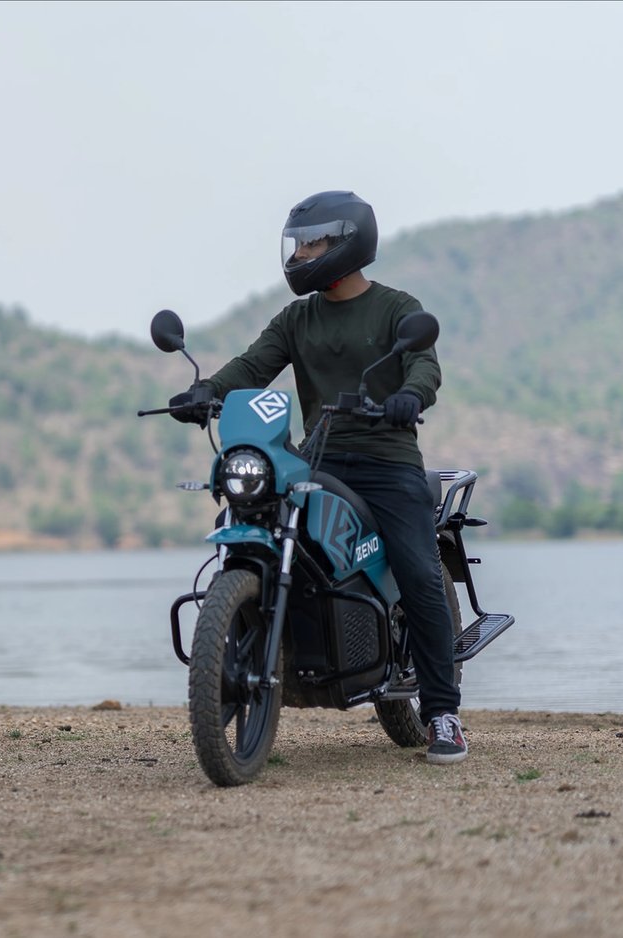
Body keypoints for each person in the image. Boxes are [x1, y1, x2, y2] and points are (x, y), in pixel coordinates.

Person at [168, 190, 466, 764]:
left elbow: (424, 364)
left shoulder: (396, 308)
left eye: (313, 243)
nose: (301, 253)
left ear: (348, 243)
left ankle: (443, 713)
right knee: (263, 523)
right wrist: (208, 390)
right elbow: (252, 366)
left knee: (420, 573)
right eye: (298, 243)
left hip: (387, 460)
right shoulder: (297, 318)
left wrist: (409, 395)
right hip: (320, 459)